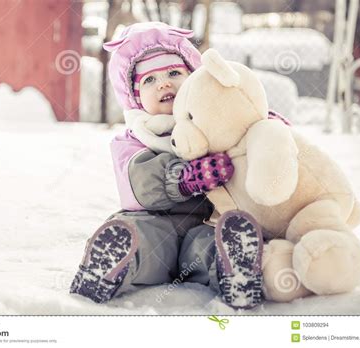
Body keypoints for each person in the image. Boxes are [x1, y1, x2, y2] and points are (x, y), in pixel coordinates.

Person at [70, 22, 265, 309]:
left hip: (205, 222)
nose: (164, 83)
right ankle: (107, 264)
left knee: (207, 246)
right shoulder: (133, 139)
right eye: (149, 80)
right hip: (153, 220)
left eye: (174, 73)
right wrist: (184, 178)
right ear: (134, 96)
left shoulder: (214, 123)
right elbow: (140, 184)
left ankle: (233, 269)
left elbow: (247, 128)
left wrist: (264, 130)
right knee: (139, 242)